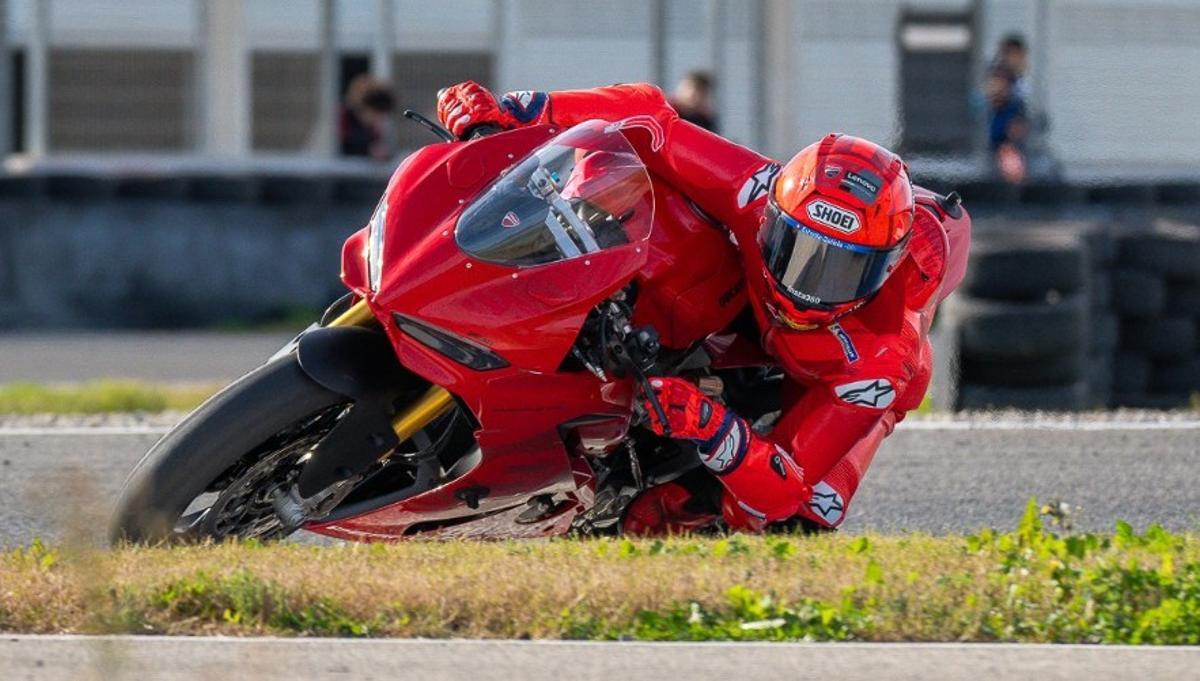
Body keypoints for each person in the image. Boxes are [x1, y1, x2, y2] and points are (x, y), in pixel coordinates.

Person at [436, 81, 971, 534]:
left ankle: (665, 503)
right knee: (648, 207)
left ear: (884, 271)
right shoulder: (756, 192)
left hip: (824, 363)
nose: (810, 285)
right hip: (748, 301)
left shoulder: (882, 357)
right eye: (799, 250)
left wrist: (713, 427)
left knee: (803, 517)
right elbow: (649, 119)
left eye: (841, 270)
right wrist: (517, 110)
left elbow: (783, 490)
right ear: (774, 215)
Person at [985, 66, 1027, 184]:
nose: (994, 89)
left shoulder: (1014, 110)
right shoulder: (986, 110)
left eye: (1000, 86)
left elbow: (1013, 136)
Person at [340, 74, 397, 159]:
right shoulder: (343, 119)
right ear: (365, 108)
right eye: (376, 115)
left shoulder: (373, 129)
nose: (377, 120)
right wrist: (368, 149)